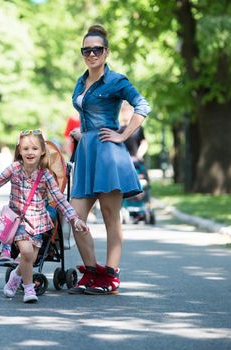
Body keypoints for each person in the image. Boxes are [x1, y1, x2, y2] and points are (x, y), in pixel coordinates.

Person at [0, 130, 90, 303]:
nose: (30, 152)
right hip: (18, 220)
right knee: (26, 252)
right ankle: (28, 289)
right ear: (20, 150)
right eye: (25, 148)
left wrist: (75, 219)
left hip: (38, 222)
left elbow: (59, 199)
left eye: (34, 148)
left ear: (42, 151)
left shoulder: (46, 175)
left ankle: (15, 277)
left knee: (30, 258)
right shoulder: (15, 169)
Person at [68, 24, 151, 295]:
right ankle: (93, 273)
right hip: (86, 152)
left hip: (107, 153)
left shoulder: (116, 81)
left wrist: (124, 134)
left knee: (109, 216)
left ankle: (111, 277)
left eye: (97, 49)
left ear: (106, 51)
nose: (91, 54)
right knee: (74, 216)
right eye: (86, 50)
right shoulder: (81, 81)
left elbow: (142, 106)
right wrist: (84, 131)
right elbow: (86, 111)